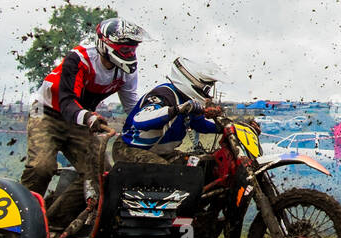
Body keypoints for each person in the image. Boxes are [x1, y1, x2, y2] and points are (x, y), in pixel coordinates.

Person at [19, 17, 150, 197]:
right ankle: (21, 218)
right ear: (106, 44)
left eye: (133, 49)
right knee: (42, 168)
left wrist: (154, 121)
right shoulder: (79, 59)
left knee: (102, 174)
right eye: (125, 49)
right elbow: (66, 102)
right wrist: (89, 117)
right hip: (46, 112)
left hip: (80, 119)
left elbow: (132, 107)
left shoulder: (126, 71)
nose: (130, 53)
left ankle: (60, 220)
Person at [116, 57, 226, 164]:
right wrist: (176, 110)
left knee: (199, 164)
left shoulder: (189, 102)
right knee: (167, 174)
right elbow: (140, 121)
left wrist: (227, 127)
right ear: (193, 81)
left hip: (163, 153)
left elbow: (201, 124)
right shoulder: (164, 95)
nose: (207, 93)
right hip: (129, 149)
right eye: (206, 88)